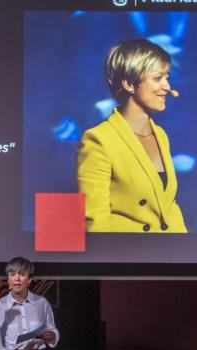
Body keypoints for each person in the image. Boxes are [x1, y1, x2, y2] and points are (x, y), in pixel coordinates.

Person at [78, 38, 187, 234]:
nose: (167, 86)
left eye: (167, 77)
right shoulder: (98, 139)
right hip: (126, 257)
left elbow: (169, 208)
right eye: (158, 78)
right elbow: (95, 221)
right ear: (129, 84)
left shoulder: (160, 135)